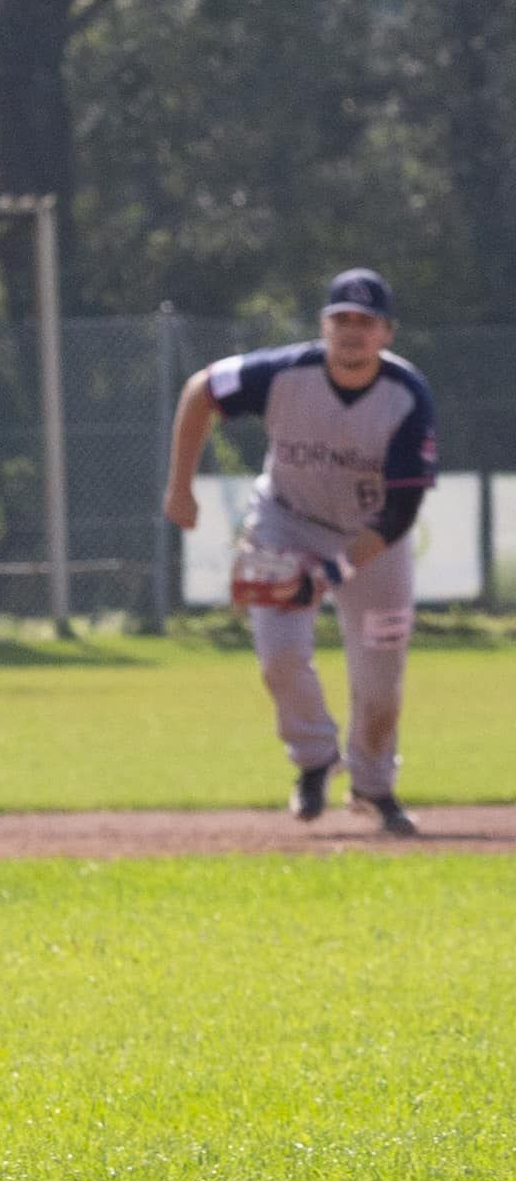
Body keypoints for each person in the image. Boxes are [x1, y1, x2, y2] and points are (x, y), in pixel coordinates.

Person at [166, 265, 438, 835]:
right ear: (323, 326)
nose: (352, 332)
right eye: (342, 319)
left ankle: (373, 788)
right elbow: (201, 390)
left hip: (373, 540)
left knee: (380, 683)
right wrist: (179, 485)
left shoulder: (406, 395)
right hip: (285, 525)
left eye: (366, 321)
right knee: (280, 658)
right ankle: (315, 760)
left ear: (387, 333)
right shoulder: (285, 371)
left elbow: (400, 512)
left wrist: (331, 573)